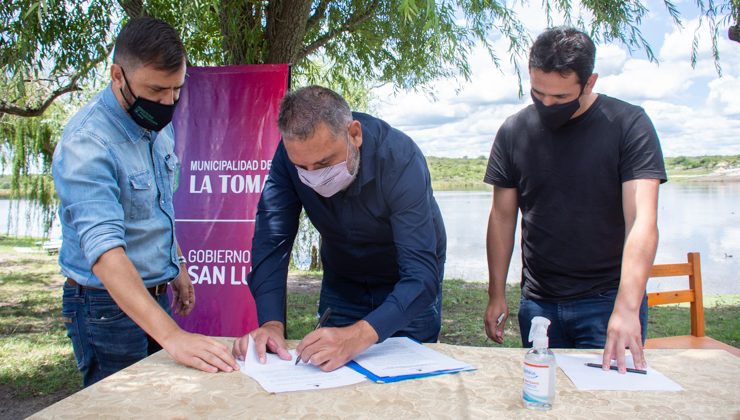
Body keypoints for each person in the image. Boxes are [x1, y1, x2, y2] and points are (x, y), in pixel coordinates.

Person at [53, 17, 238, 387]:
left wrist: (177, 264)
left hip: (155, 296)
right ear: (117, 75)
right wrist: (172, 336)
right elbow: (105, 252)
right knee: (124, 408)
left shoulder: (156, 123)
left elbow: (157, 207)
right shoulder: (87, 143)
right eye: (156, 90)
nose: (168, 103)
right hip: (103, 306)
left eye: (176, 89)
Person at [483, 27, 666, 372]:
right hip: (538, 303)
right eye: (539, 94)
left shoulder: (629, 125)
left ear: (590, 81)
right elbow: (502, 217)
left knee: (609, 404)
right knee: (541, 396)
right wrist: (496, 293)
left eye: (561, 98)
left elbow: (642, 219)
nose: (548, 105)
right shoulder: (513, 131)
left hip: (607, 300)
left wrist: (626, 308)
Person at [232, 85, 446, 371]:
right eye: (302, 168)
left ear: (354, 134)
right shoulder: (287, 157)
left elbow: (421, 274)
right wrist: (272, 323)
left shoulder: (399, 158)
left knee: (410, 380)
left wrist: (357, 336)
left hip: (405, 283)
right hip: (343, 281)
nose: (314, 178)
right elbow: (272, 241)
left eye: (324, 163)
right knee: (329, 377)